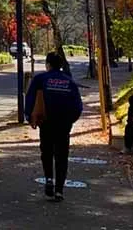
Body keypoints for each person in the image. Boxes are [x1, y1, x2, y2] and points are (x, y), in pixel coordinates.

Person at [25, 52, 84, 202]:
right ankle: (59, 190)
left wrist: (29, 117)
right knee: (62, 156)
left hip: (46, 122)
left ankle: (49, 179)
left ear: (48, 64)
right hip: (63, 123)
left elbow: (30, 98)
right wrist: (71, 120)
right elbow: (77, 105)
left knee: (46, 152)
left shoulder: (40, 79)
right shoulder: (69, 81)